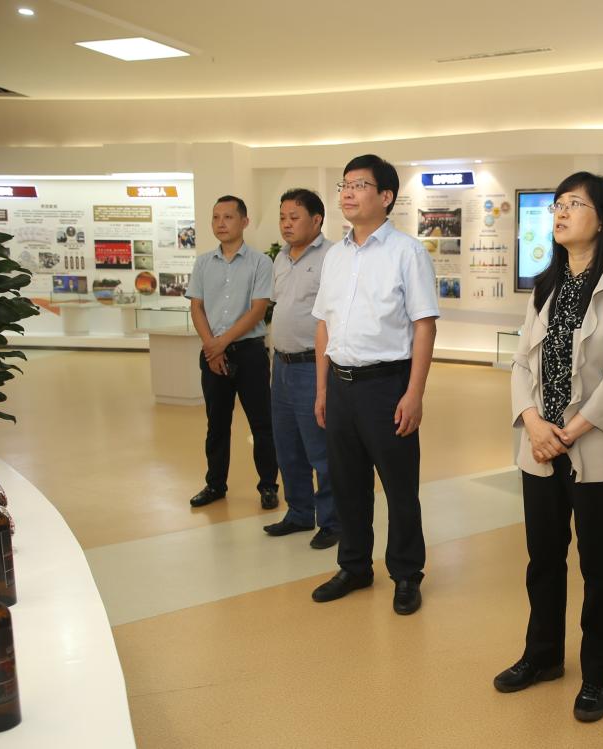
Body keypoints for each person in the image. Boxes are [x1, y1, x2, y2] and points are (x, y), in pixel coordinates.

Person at [495, 172, 603, 723]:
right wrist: (533, 423)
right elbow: (521, 363)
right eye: (557, 205)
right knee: (543, 558)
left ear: (602, 218)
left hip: (594, 446)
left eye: (574, 204)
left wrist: (570, 430)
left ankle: (596, 676)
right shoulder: (547, 283)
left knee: (598, 564)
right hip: (540, 445)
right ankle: (541, 656)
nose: (560, 213)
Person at [310, 155, 439, 616]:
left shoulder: (407, 252)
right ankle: (354, 566)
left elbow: (424, 325)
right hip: (341, 386)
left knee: (400, 488)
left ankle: (406, 573)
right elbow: (324, 325)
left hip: (387, 385)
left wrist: (414, 393)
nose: (347, 193)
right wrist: (322, 390)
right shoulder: (336, 255)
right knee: (347, 484)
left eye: (359, 185)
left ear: (385, 197)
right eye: (344, 185)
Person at [185, 196, 279, 510]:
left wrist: (219, 343)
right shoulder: (202, 263)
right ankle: (215, 484)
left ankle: (268, 486)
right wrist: (212, 348)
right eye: (215, 217)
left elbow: (258, 310)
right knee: (216, 424)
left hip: (249, 353)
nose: (221, 223)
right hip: (213, 354)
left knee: (262, 424)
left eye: (228, 217)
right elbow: (196, 307)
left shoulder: (260, 262)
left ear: (244, 222)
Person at [264, 189, 340, 549]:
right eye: (282, 217)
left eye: (294, 217)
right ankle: (298, 512)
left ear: (316, 220)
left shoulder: (331, 257)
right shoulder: (280, 258)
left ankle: (332, 521)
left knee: (320, 449)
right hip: (281, 365)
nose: (286, 224)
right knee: (287, 446)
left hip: (313, 366)